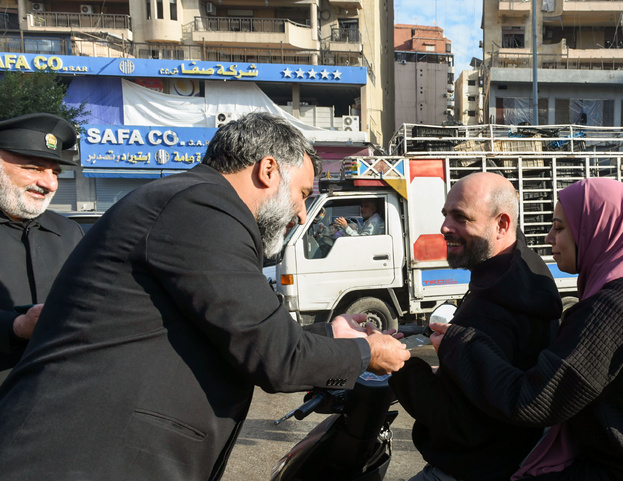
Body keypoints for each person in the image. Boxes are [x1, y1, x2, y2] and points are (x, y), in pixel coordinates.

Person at [0, 112, 410, 480]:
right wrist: (366, 353)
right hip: (82, 457)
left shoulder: (196, 204)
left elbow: (241, 329)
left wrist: (331, 333)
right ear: (268, 169)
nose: (302, 213)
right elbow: (276, 357)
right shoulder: (204, 207)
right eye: (303, 194)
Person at [431, 177, 623, 479]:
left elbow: (531, 402)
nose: (548, 237)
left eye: (559, 227)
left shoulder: (615, 309)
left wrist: (459, 343)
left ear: (595, 230)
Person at [389, 172, 563, 481]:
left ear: (502, 224)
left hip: (471, 469)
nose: (445, 227)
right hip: (515, 459)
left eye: (461, 217)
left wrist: (398, 367)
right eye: (446, 215)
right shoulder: (527, 269)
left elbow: (459, 422)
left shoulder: (490, 308)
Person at [0, 113, 83, 383]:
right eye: (34, 168)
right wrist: (15, 327)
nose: (49, 184)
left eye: (55, 172)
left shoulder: (69, 232)